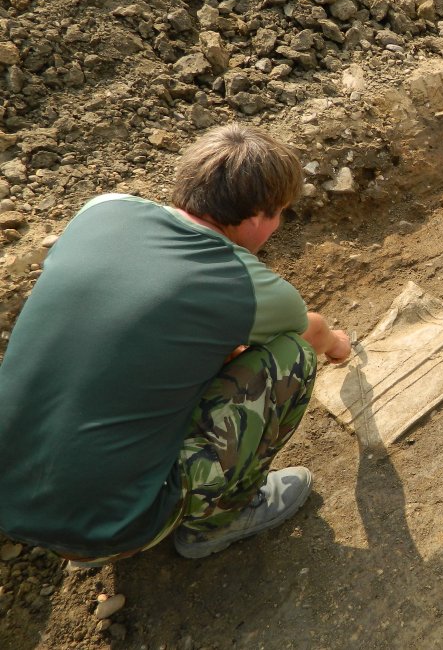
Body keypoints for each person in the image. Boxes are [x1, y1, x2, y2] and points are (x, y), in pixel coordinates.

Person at [0, 124, 352, 564]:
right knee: (292, 356)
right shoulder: (239, 281)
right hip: (120, 526)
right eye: (280, 214)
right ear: (258, 216)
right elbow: (310, 331)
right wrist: (338, 346)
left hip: (12, 498)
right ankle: (222, 517)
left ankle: (96, 523)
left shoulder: (103, 208)